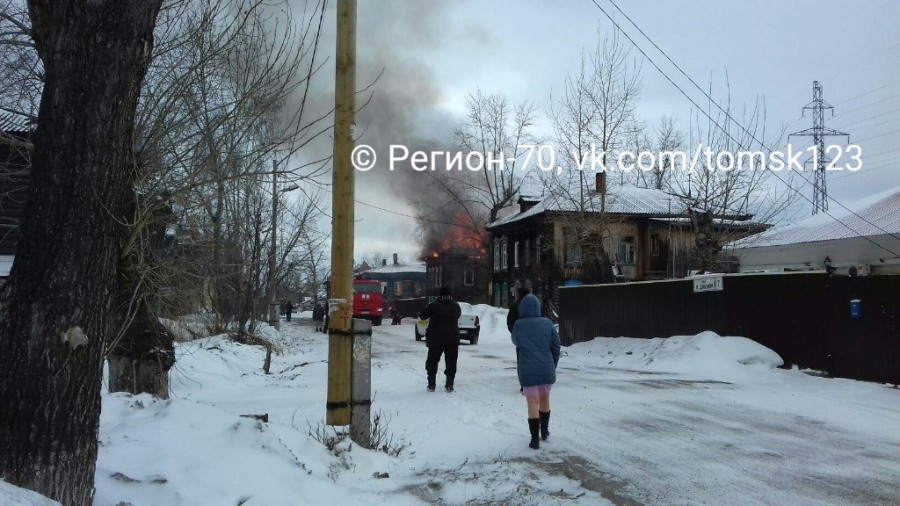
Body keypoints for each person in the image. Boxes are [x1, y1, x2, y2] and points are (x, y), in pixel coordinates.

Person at [510, 293, 560, 449]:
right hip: (547, 368)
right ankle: (544, 431)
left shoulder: (518, 325)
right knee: (545, 399)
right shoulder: (548, 323)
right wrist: (553, 364)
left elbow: (515, 342)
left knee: (532, 402)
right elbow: (556, 346)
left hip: (527, 371)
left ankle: (534, 440)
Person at [419, 286, 461, 392]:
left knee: (432, 362)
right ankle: (449, 384)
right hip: (452, 339)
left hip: (436, 339)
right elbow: (458, 315)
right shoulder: (455, 306)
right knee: (451, 362)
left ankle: (431, 384)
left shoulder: (434, 305)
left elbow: (423, 315)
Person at [507, 285, 531, 392]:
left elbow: (510, 322)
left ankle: (524, 383)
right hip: (534, 338)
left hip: (521, 339)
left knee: (521, 362)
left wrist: (515, 334)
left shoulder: (515, 306)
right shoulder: (535, 305)